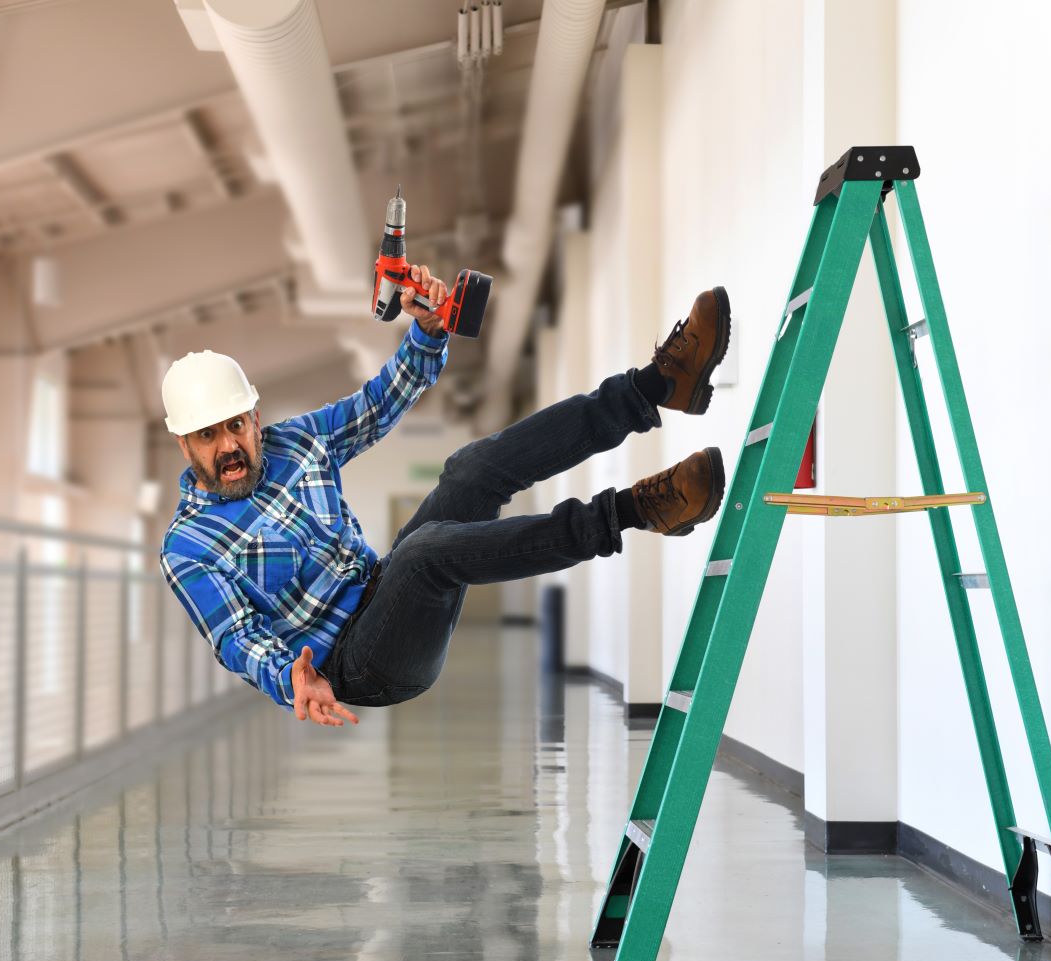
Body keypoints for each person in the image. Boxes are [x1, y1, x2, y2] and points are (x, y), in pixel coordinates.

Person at [159, 265, 730, 727]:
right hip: (360, 665)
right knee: (425, 550)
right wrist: (291, 678)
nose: (227, 446)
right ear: (184, 444)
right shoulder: (188, 546)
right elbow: (236, 637)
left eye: (235, 425)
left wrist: (428, 332)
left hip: (384, 590)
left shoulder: (295, 443)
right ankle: (634, 510)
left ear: (255, 416)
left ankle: (656, 386)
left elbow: (376, 405)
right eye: (207, 436)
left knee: (472, 469)